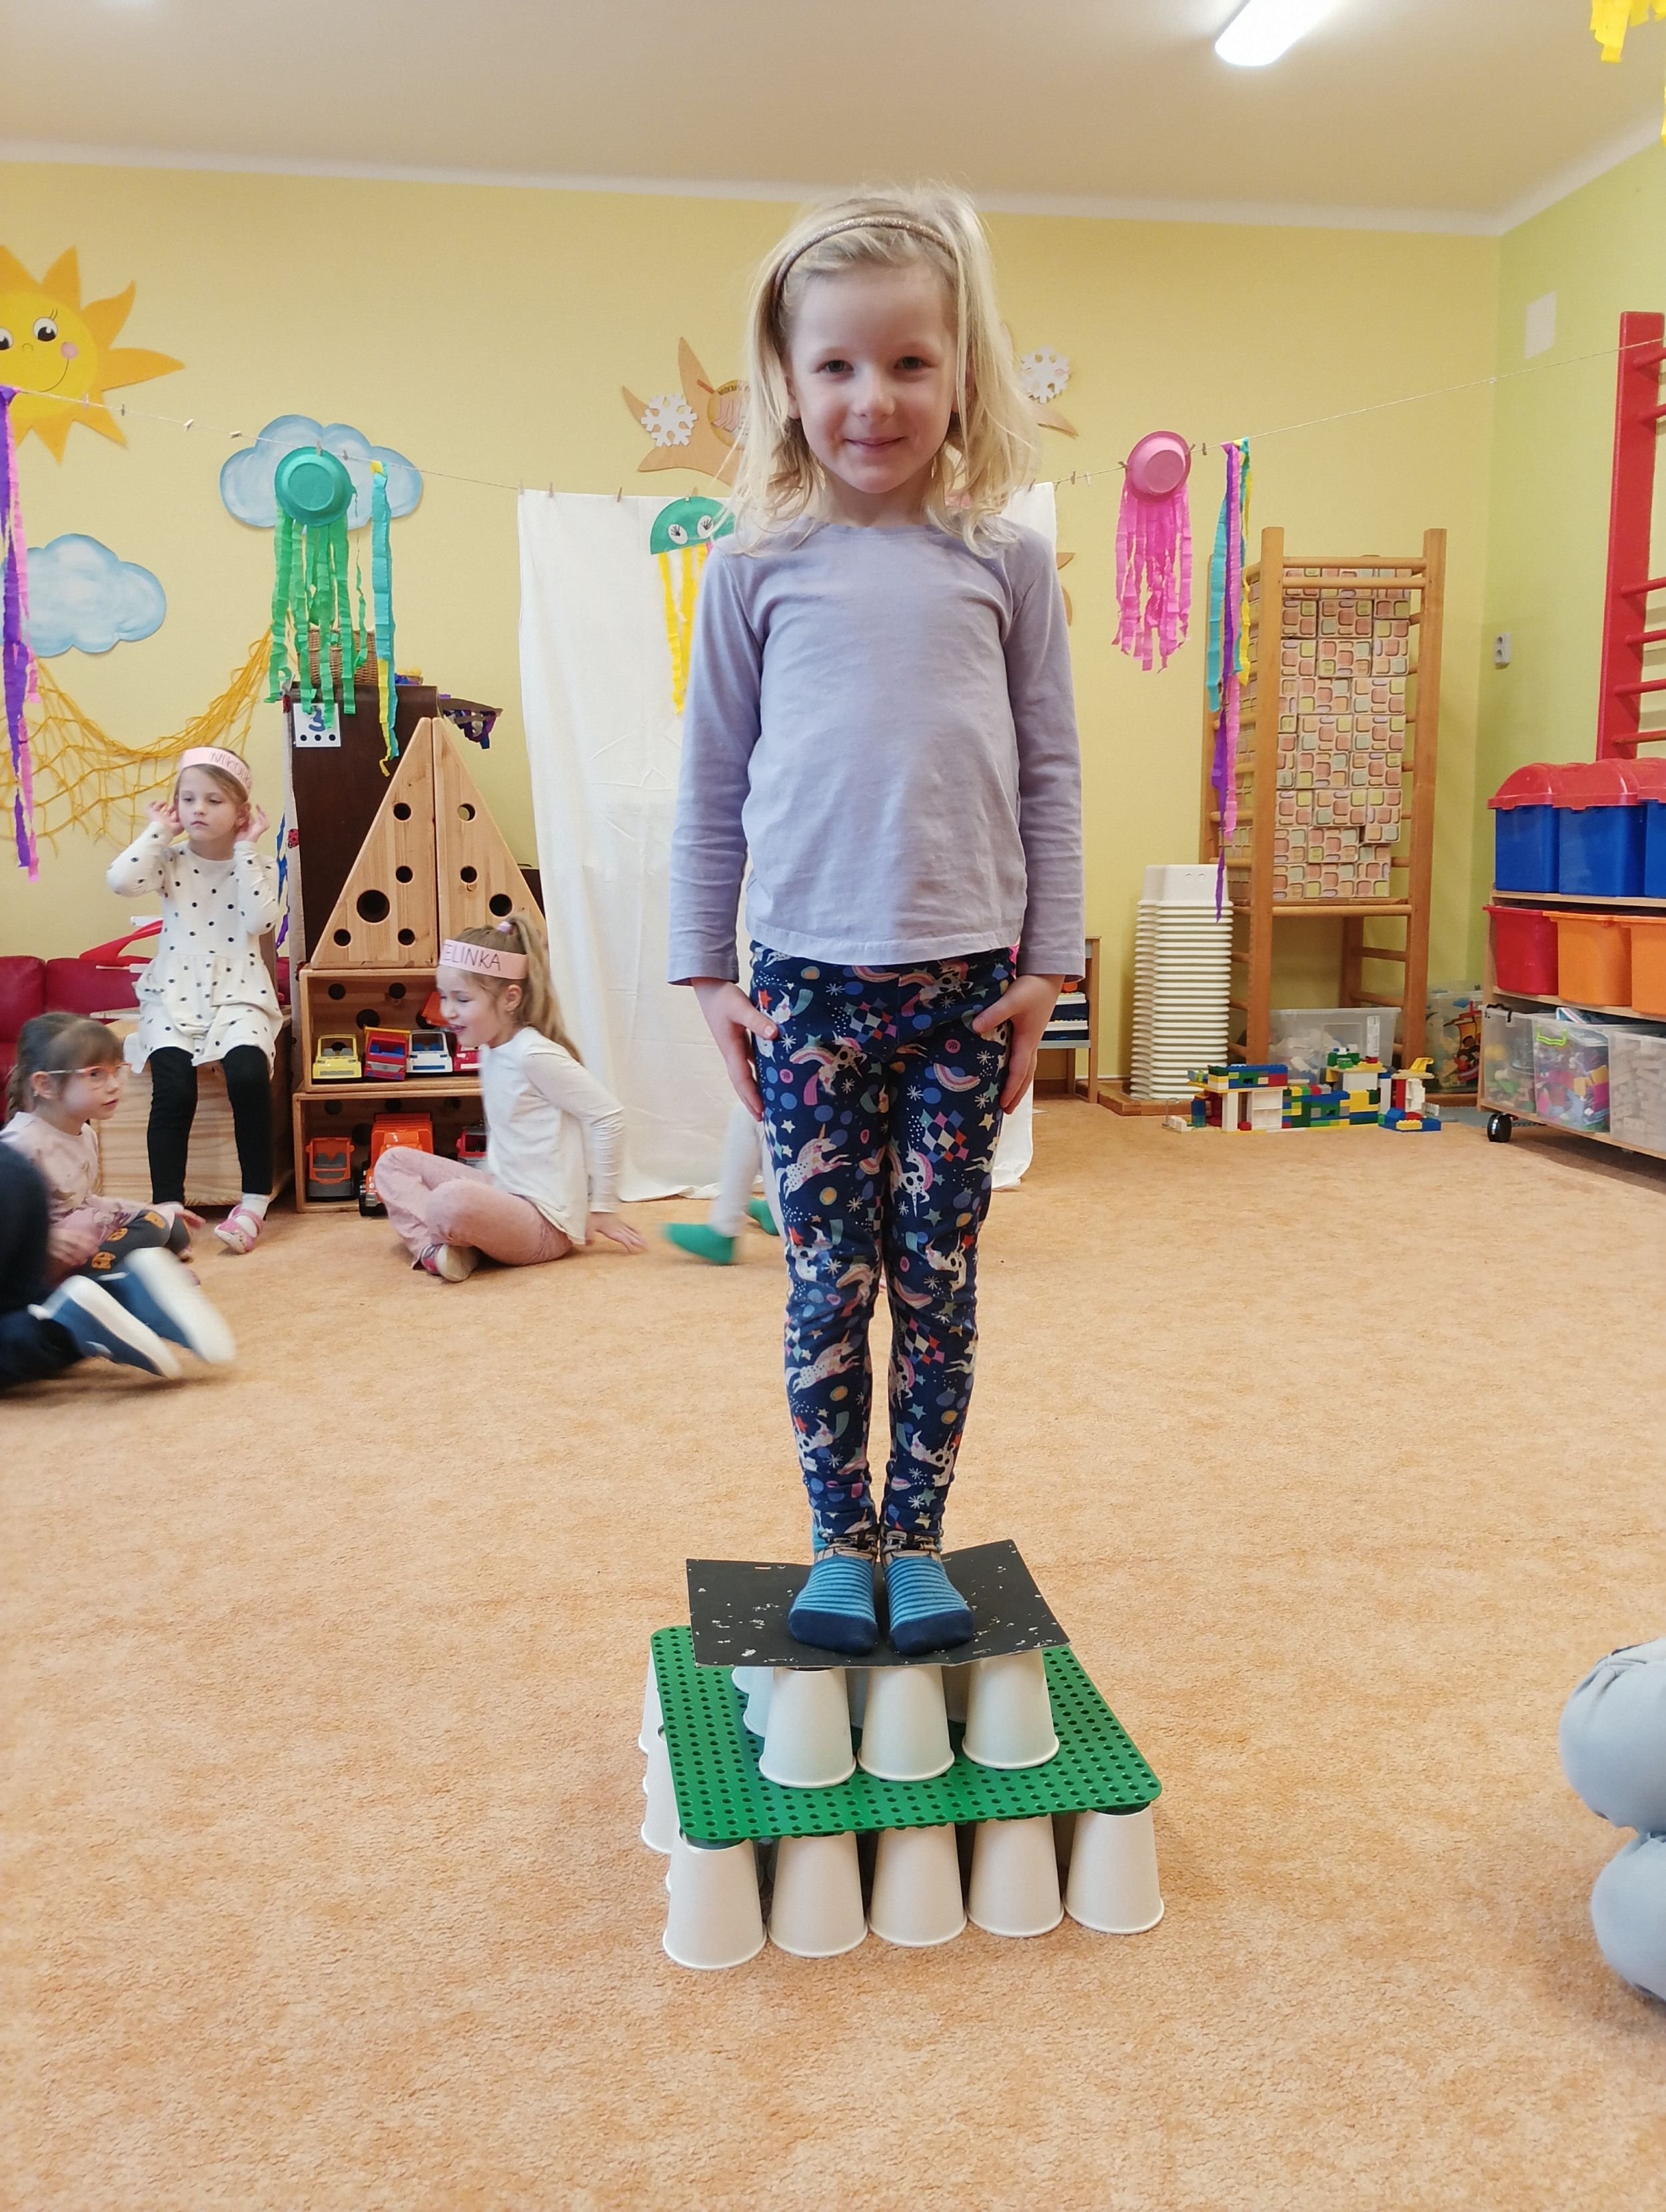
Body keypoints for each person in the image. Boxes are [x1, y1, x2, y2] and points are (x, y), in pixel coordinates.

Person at [667, 184, 1084, 1657]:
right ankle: (838, 1543)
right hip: (804, 990)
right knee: (825, 1286)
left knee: (939, 1283)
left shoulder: (1003, 560)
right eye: (837, 364)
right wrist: (704, 974)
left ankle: (918, 1538)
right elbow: (712, 783)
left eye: (910, 362)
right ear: (786, 379)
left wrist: (1049, 969)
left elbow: (1050, 771)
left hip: (964, 987)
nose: (873, 398)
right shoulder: (752, 568)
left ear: (961, 371)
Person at [375, 913, 646, 1279]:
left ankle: (446, 1243)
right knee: (392, 1163)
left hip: (544, 1223)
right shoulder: (491, 1048)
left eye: (462, 999)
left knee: (447, 1201)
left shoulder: (534, 1054)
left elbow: (608, 1116)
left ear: (510, 999)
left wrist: (602, 1206)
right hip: (506, 1194)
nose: (447, 1011)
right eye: (444, 997)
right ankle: (440, 1250)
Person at [107, 745, 281, 1254]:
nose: (198, 809)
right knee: (174, 1090)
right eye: (188, 799)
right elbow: (120, 881)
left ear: (241, 812)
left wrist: (246, 850)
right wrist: (158, 831)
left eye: (213, 800)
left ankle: (253, 1203)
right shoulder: (169, 860)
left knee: (248, 1075)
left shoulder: (255, 864)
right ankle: (167, 1210)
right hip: (174, 993)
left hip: (239, 992)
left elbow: (260, 921)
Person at [1, 1015, 236, 1374]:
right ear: (45, 1085)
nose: (114, 1086)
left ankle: (117, 1287)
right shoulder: (18, 1145)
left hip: (72, 1240)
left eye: (117, 1071)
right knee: (143, 1228)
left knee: (168, 1224)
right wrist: (44, 1242)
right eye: (96, 1074)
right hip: (43, 1256)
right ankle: (117, 1287)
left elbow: (86, 1200)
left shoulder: (85, 1134)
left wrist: (147, 1209)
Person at [663, 1097, 780, 1265]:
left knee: (753, 1111)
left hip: (813, 1231)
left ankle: (724, 1229)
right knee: (755, 1108)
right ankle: (776, 1208)